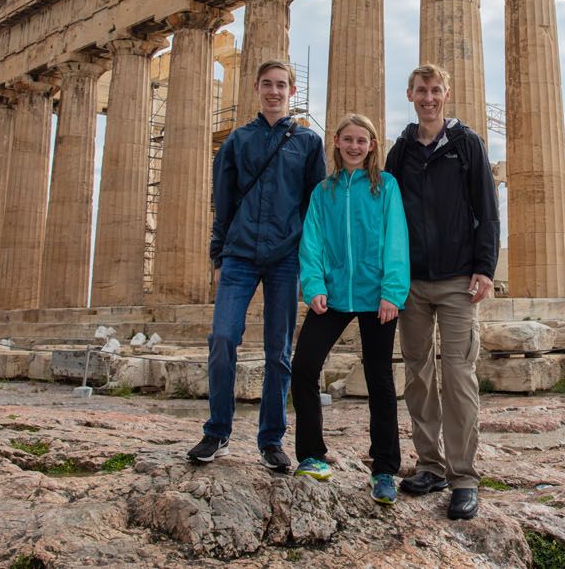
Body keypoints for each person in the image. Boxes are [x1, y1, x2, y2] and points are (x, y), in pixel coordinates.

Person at [186, 60, 326, 471]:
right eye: (267, 84)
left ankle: (271, 440)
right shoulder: (237, 141)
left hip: (285, 256)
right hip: (240, 254)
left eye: (281, 85)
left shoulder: (308, 143)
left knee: (278, 350)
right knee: (223, 338)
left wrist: (311, 262)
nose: (274, 91)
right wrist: (217, 254)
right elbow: (223, 202)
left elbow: (314, 206)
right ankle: (217, 432)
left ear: (292, 91)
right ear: (256, 88)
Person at [385, 63, 499, 520]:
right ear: (410, 94)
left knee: (458, 376)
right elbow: (388, 213)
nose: (428, 98)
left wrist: (484, 268)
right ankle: (429, 465)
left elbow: (487, 210)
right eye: (421, 91)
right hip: (411, 282)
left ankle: (464, 476)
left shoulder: (467, 145)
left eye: (435, 90)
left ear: (446, 93)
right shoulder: (400, 151)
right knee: (417, 375)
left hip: (456, 280)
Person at [290, 113, 410, 504]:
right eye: (348, 140)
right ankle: (311, 453)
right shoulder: (323, 192)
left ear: (373, 145)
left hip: (378, 296)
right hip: (335, 294)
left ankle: (385, 470)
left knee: (379, 380)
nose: (355, 146)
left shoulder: (386, 186)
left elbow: (396, 239)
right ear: (337, 143)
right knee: (304, 365)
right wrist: (314, 286)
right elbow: (312, 241)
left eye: (363, 140)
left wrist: (393, 291)